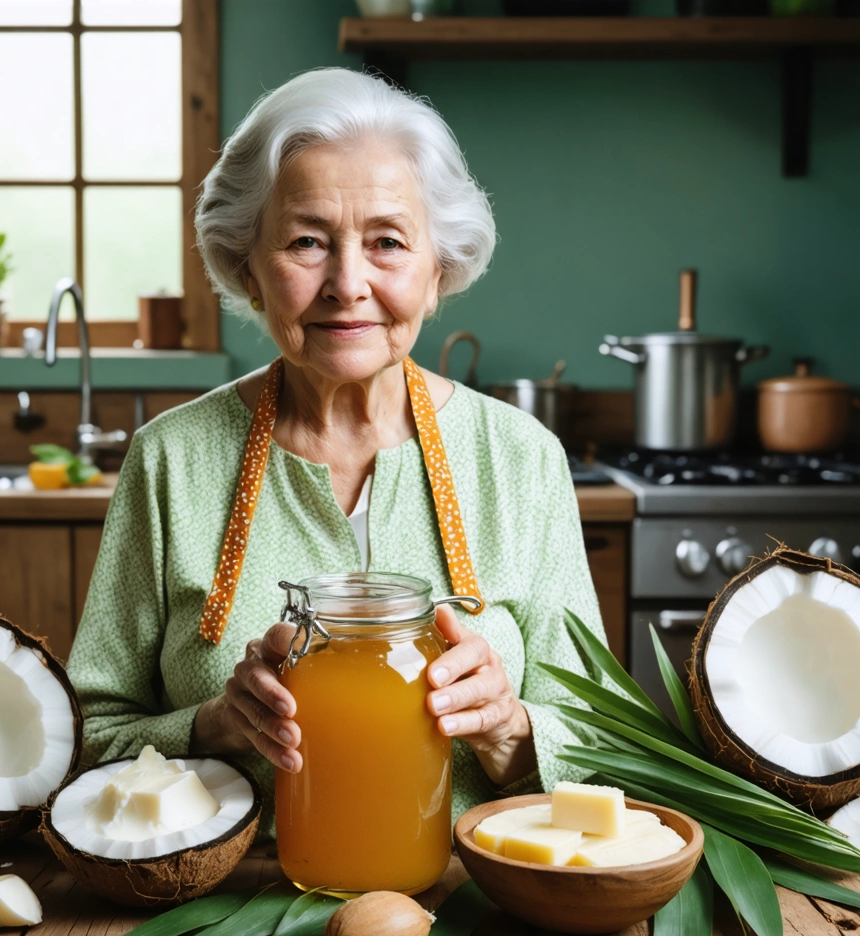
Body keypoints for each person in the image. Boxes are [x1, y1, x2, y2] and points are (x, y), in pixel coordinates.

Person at [68, 67, 608, 834]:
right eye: (307, 242)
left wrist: (510, 729)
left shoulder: (522, 460)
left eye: (387, 242)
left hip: (476, 910)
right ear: (248, 269)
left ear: (437, 272)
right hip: (227, 906)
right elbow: (87, 740)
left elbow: (604, 741)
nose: (347, 283)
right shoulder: (170, 461)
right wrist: (212, 727)